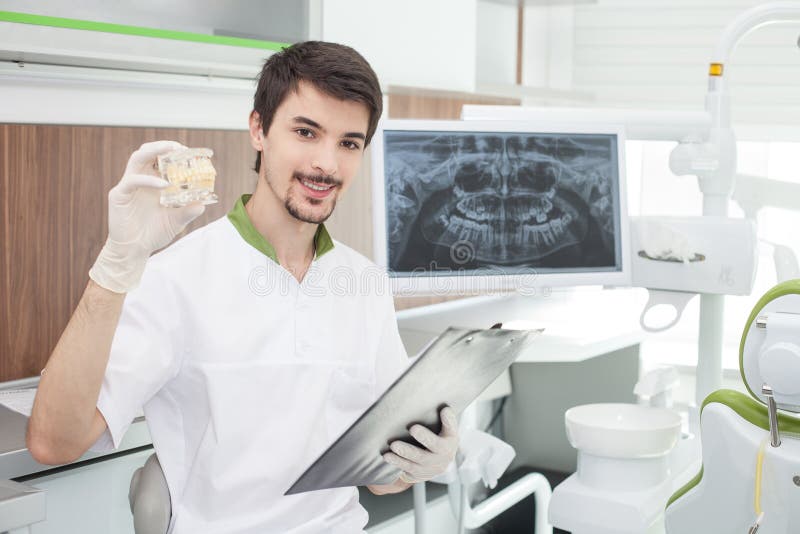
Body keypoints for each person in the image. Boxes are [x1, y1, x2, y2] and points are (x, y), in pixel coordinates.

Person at [26, 41, 458, 533]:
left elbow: (382, 481)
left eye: (348, 143)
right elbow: (54, 442)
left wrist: (421, 460)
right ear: (259, 129)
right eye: (305, 132)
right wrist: (116, 264)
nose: (327, 164)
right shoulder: (177, 277)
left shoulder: (364, 285)